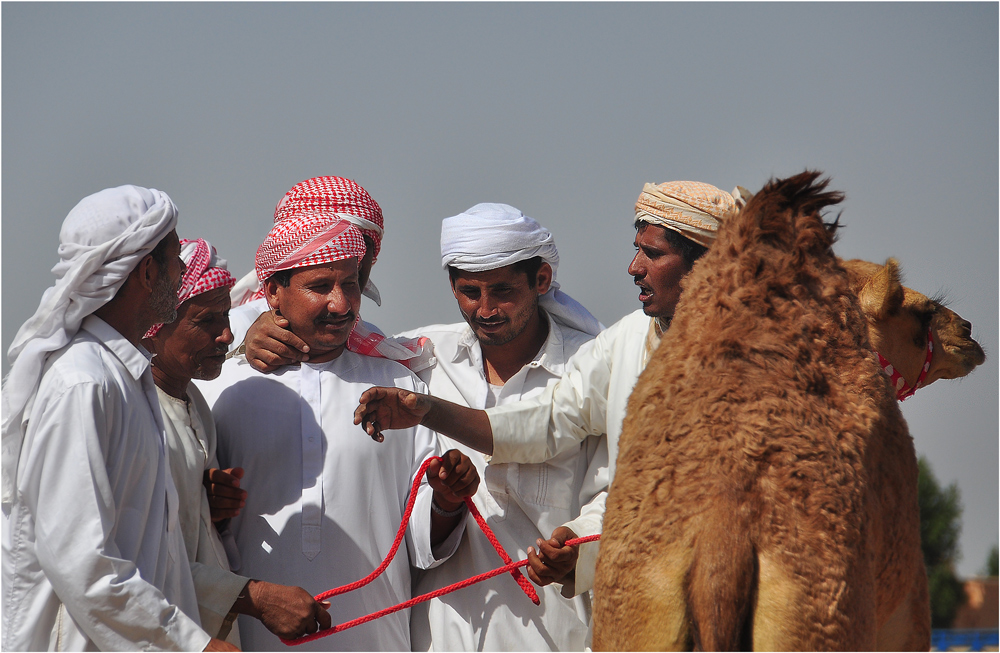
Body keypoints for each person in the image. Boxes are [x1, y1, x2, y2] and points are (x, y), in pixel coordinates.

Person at [354, 181, 745, 603]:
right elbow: (549, 421)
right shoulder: (624, 346)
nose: (633, 267)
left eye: (652, 253)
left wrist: (580, 544)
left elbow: (626, 491)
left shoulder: (766, 360)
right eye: (470, 292)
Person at [196, 208, 480, 651]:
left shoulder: (398, 385)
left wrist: (445, 500)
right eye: (320, 287)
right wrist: (207, 503)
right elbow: (186, 534)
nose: (341, 303)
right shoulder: (223, 390)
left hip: (375, 638)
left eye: (350, 284)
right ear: (272, 291)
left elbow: (423, 546)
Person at [1, 186, 226, 651]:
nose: (183, 269)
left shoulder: (127, 376)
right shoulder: (83, 383)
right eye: (174, 257)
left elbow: (153, 554)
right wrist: (194, 646)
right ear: (148, 271)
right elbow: (81, 560)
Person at [393, 203, 604, 651]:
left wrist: (576, 545)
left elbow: (617, 491)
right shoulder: (422, 361)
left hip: (555, 632)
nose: (485, 309)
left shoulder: (593, 370)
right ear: (452, 286)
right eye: (470, 291)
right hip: (442, 634)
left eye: (503, 291)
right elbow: (331, 348)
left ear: (540, 281)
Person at [143, 237, 333, 645]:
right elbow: (130, 562)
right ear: (155, 326)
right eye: (206, 322)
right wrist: (258, 598)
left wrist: (211, 511)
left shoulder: (194, 404)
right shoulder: (130, 413)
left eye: (226, 317)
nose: (227, 335)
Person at [229, 175, 432, 374]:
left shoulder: (372, 344)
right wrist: (243, 350)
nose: (348, 254)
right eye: (332, 243)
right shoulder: (236, 326)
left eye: (359, 244)